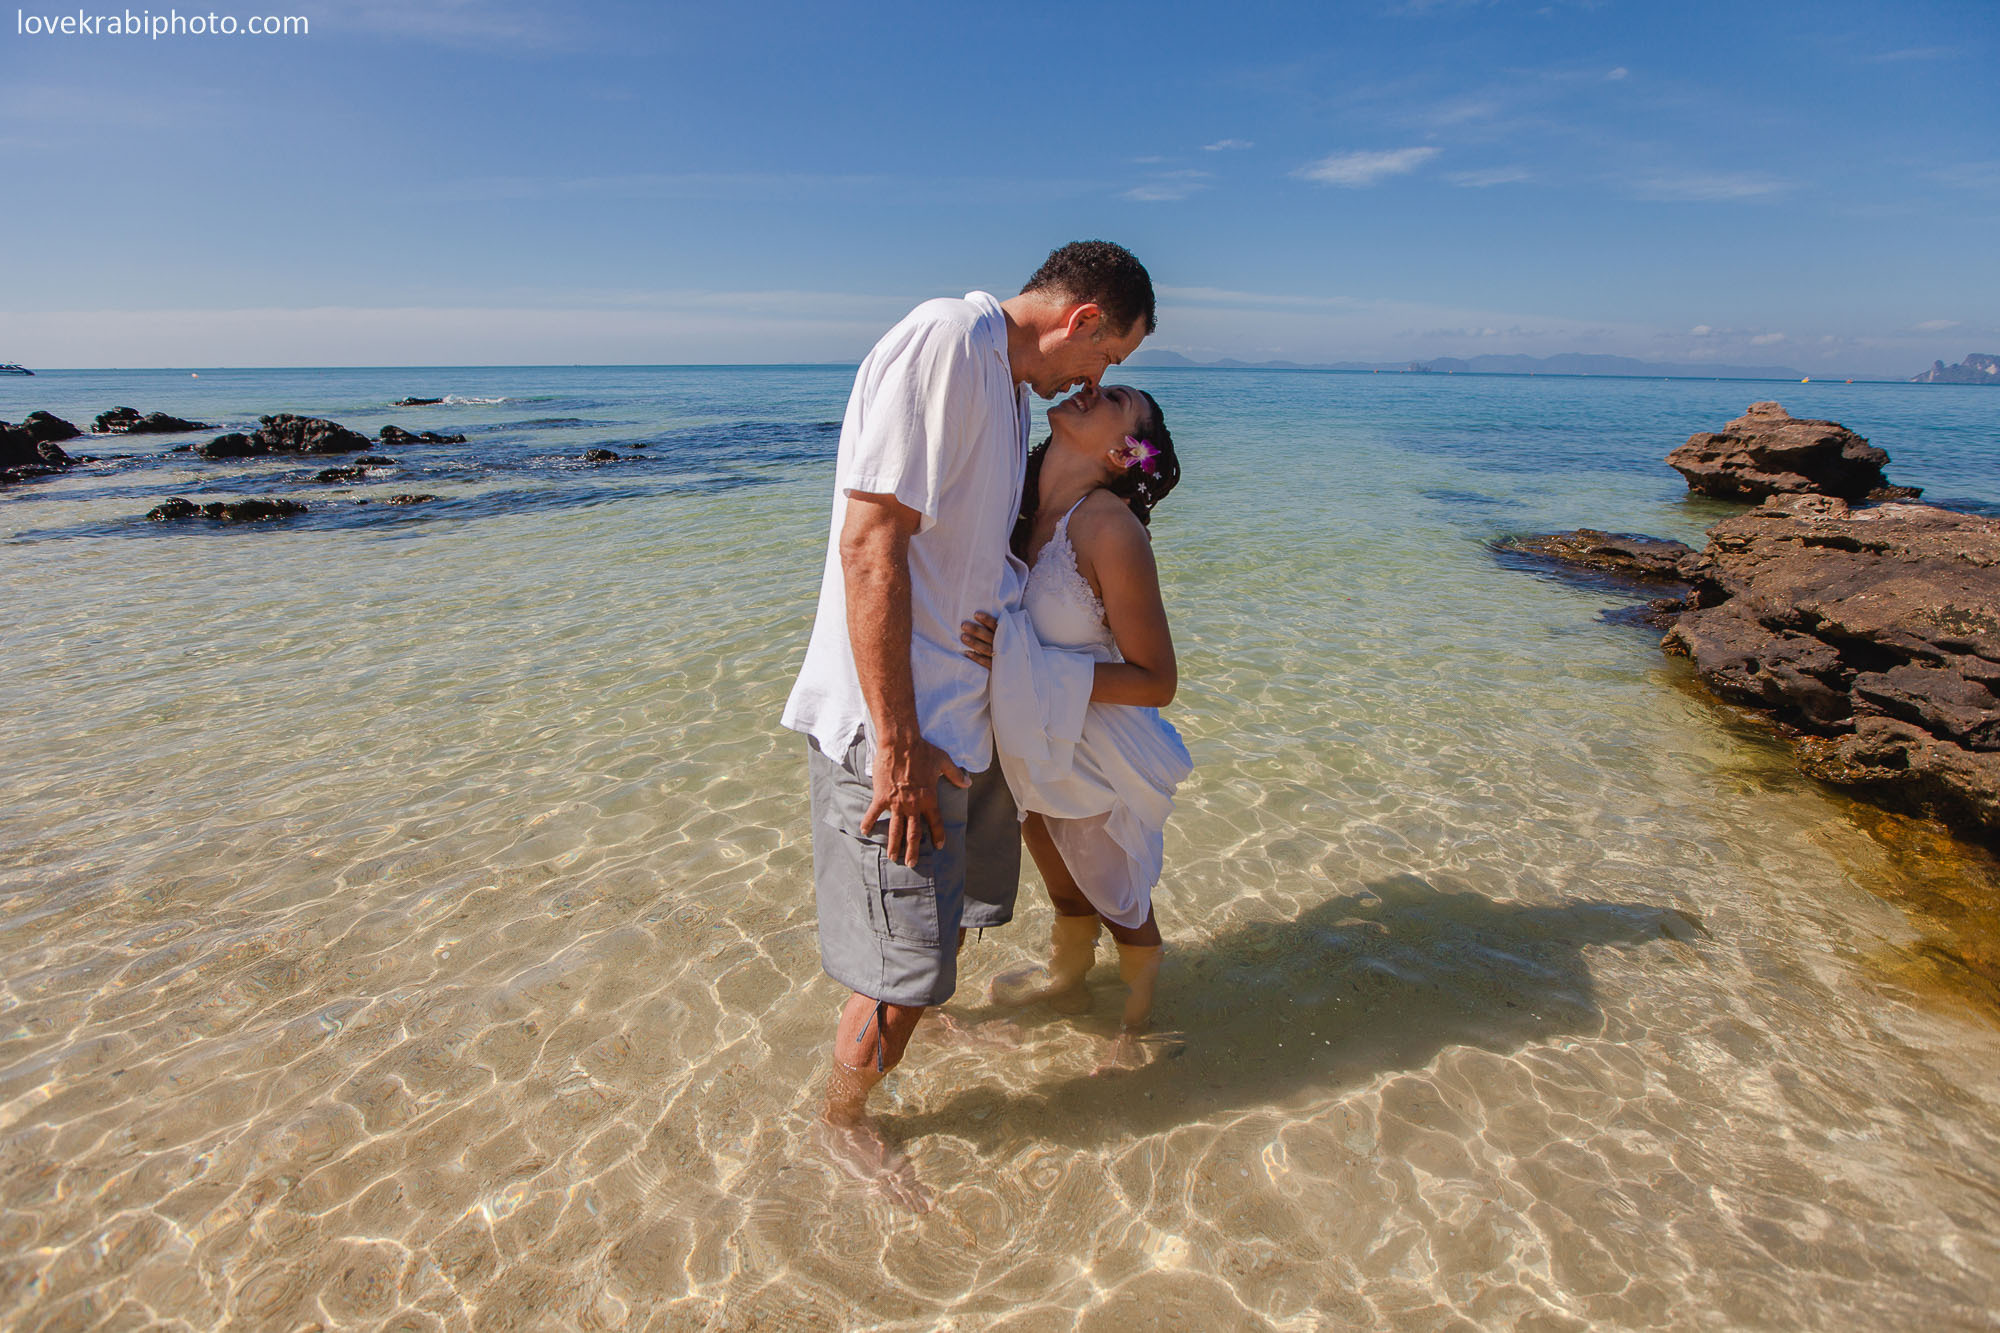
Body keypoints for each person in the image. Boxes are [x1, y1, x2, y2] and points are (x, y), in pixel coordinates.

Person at [781, 241, 1155, 1208]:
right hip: (902, 739)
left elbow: (968, 563)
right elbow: (870, 546)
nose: (1100, 378)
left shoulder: (1007, 385)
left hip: (956, 730)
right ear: (1082, 323)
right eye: (1110, 359)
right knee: (898, 973)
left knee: (938, 940)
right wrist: (898, 751)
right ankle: (842, 1126)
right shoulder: (946, 341)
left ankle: (899, 1050)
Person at [958, 384, 1189, 1051]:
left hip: (1094, 753)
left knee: (1122, 905)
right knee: (1065, 890)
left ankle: (1139, 1022)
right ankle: (1069, 981)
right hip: (1034, 743)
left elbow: (1158, 680)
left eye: (1113, 395)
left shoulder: (1109, 528)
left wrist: (1015, 660)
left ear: (1123, 449)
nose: (1090, 388)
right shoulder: (1022, 509)